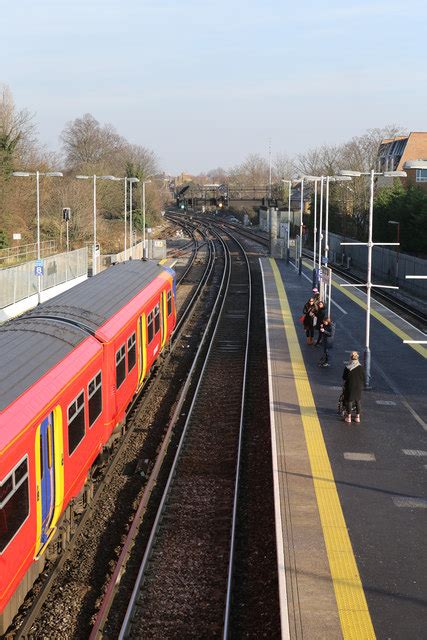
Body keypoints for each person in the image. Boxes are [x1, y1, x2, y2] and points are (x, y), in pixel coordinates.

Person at [342, 351, 365, 423]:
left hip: (350, 386)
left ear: (350, 358)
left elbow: (344, 377)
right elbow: (363, 377)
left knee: (349, 401)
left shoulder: (348, 368)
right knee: (358, 401)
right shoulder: (361, 368)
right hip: (358, 387)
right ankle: (357, 417)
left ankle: (348, 417)